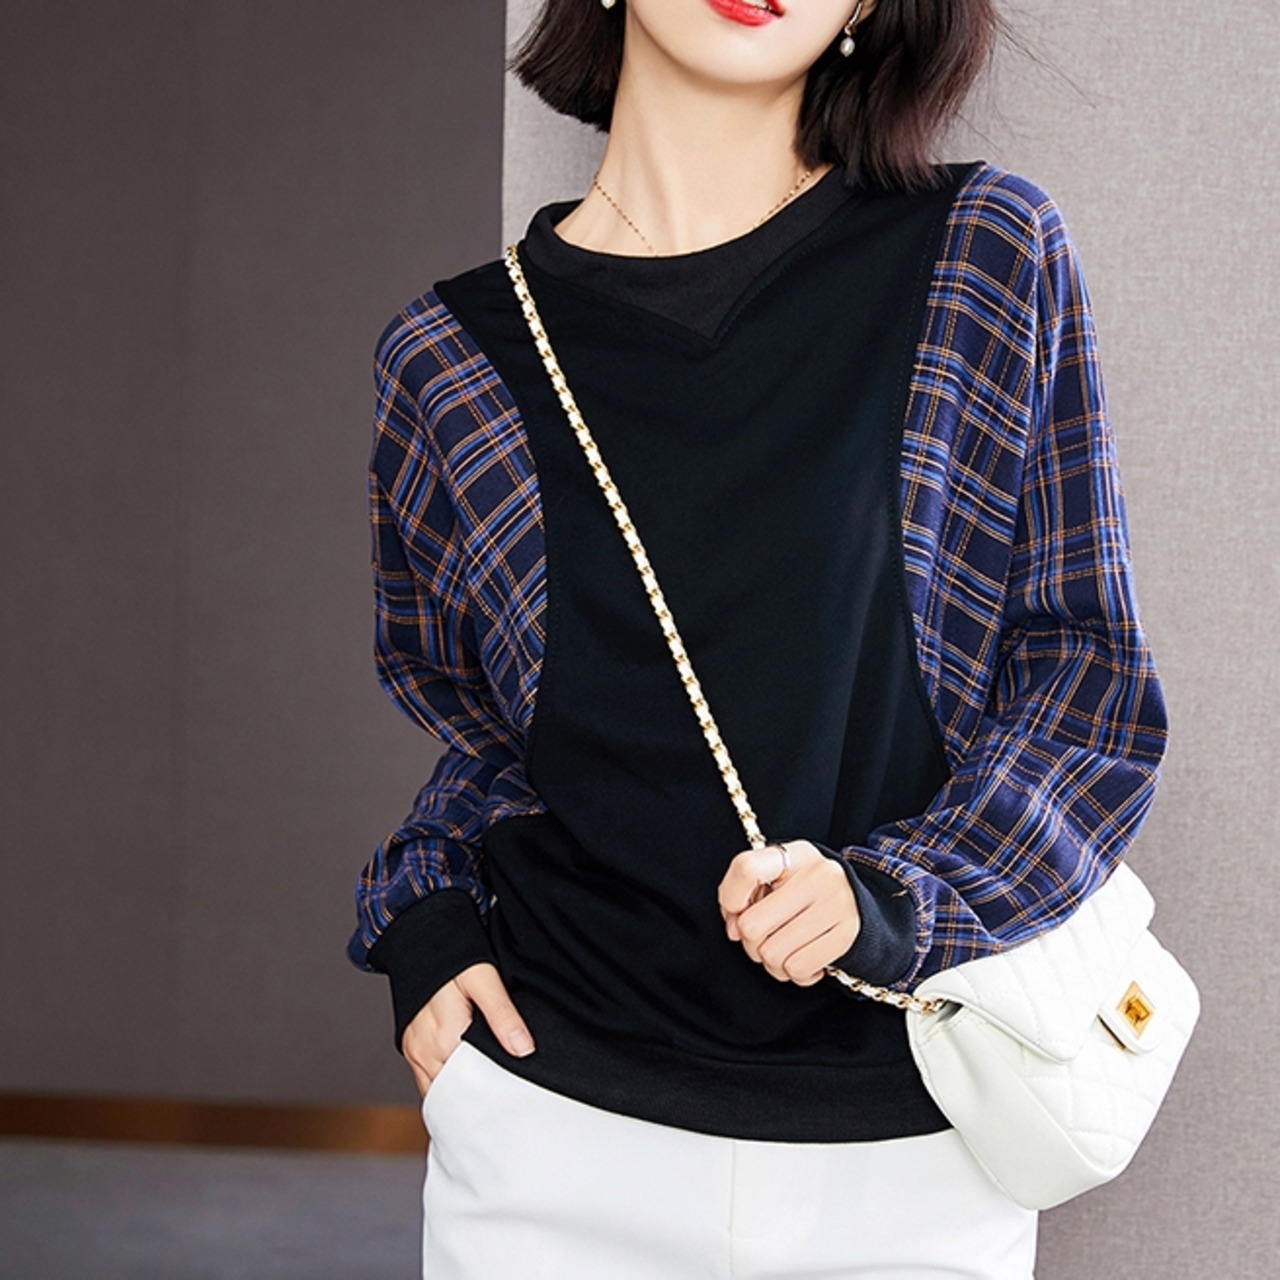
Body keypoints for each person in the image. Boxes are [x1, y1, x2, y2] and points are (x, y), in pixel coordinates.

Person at [347, 1, 1167, 1276]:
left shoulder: (976, 252)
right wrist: (423, 917)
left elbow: (1085, 685)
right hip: (548, 1129)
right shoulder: (450, 356)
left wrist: (890, 897)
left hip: (902, 1152)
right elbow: (496, 741)